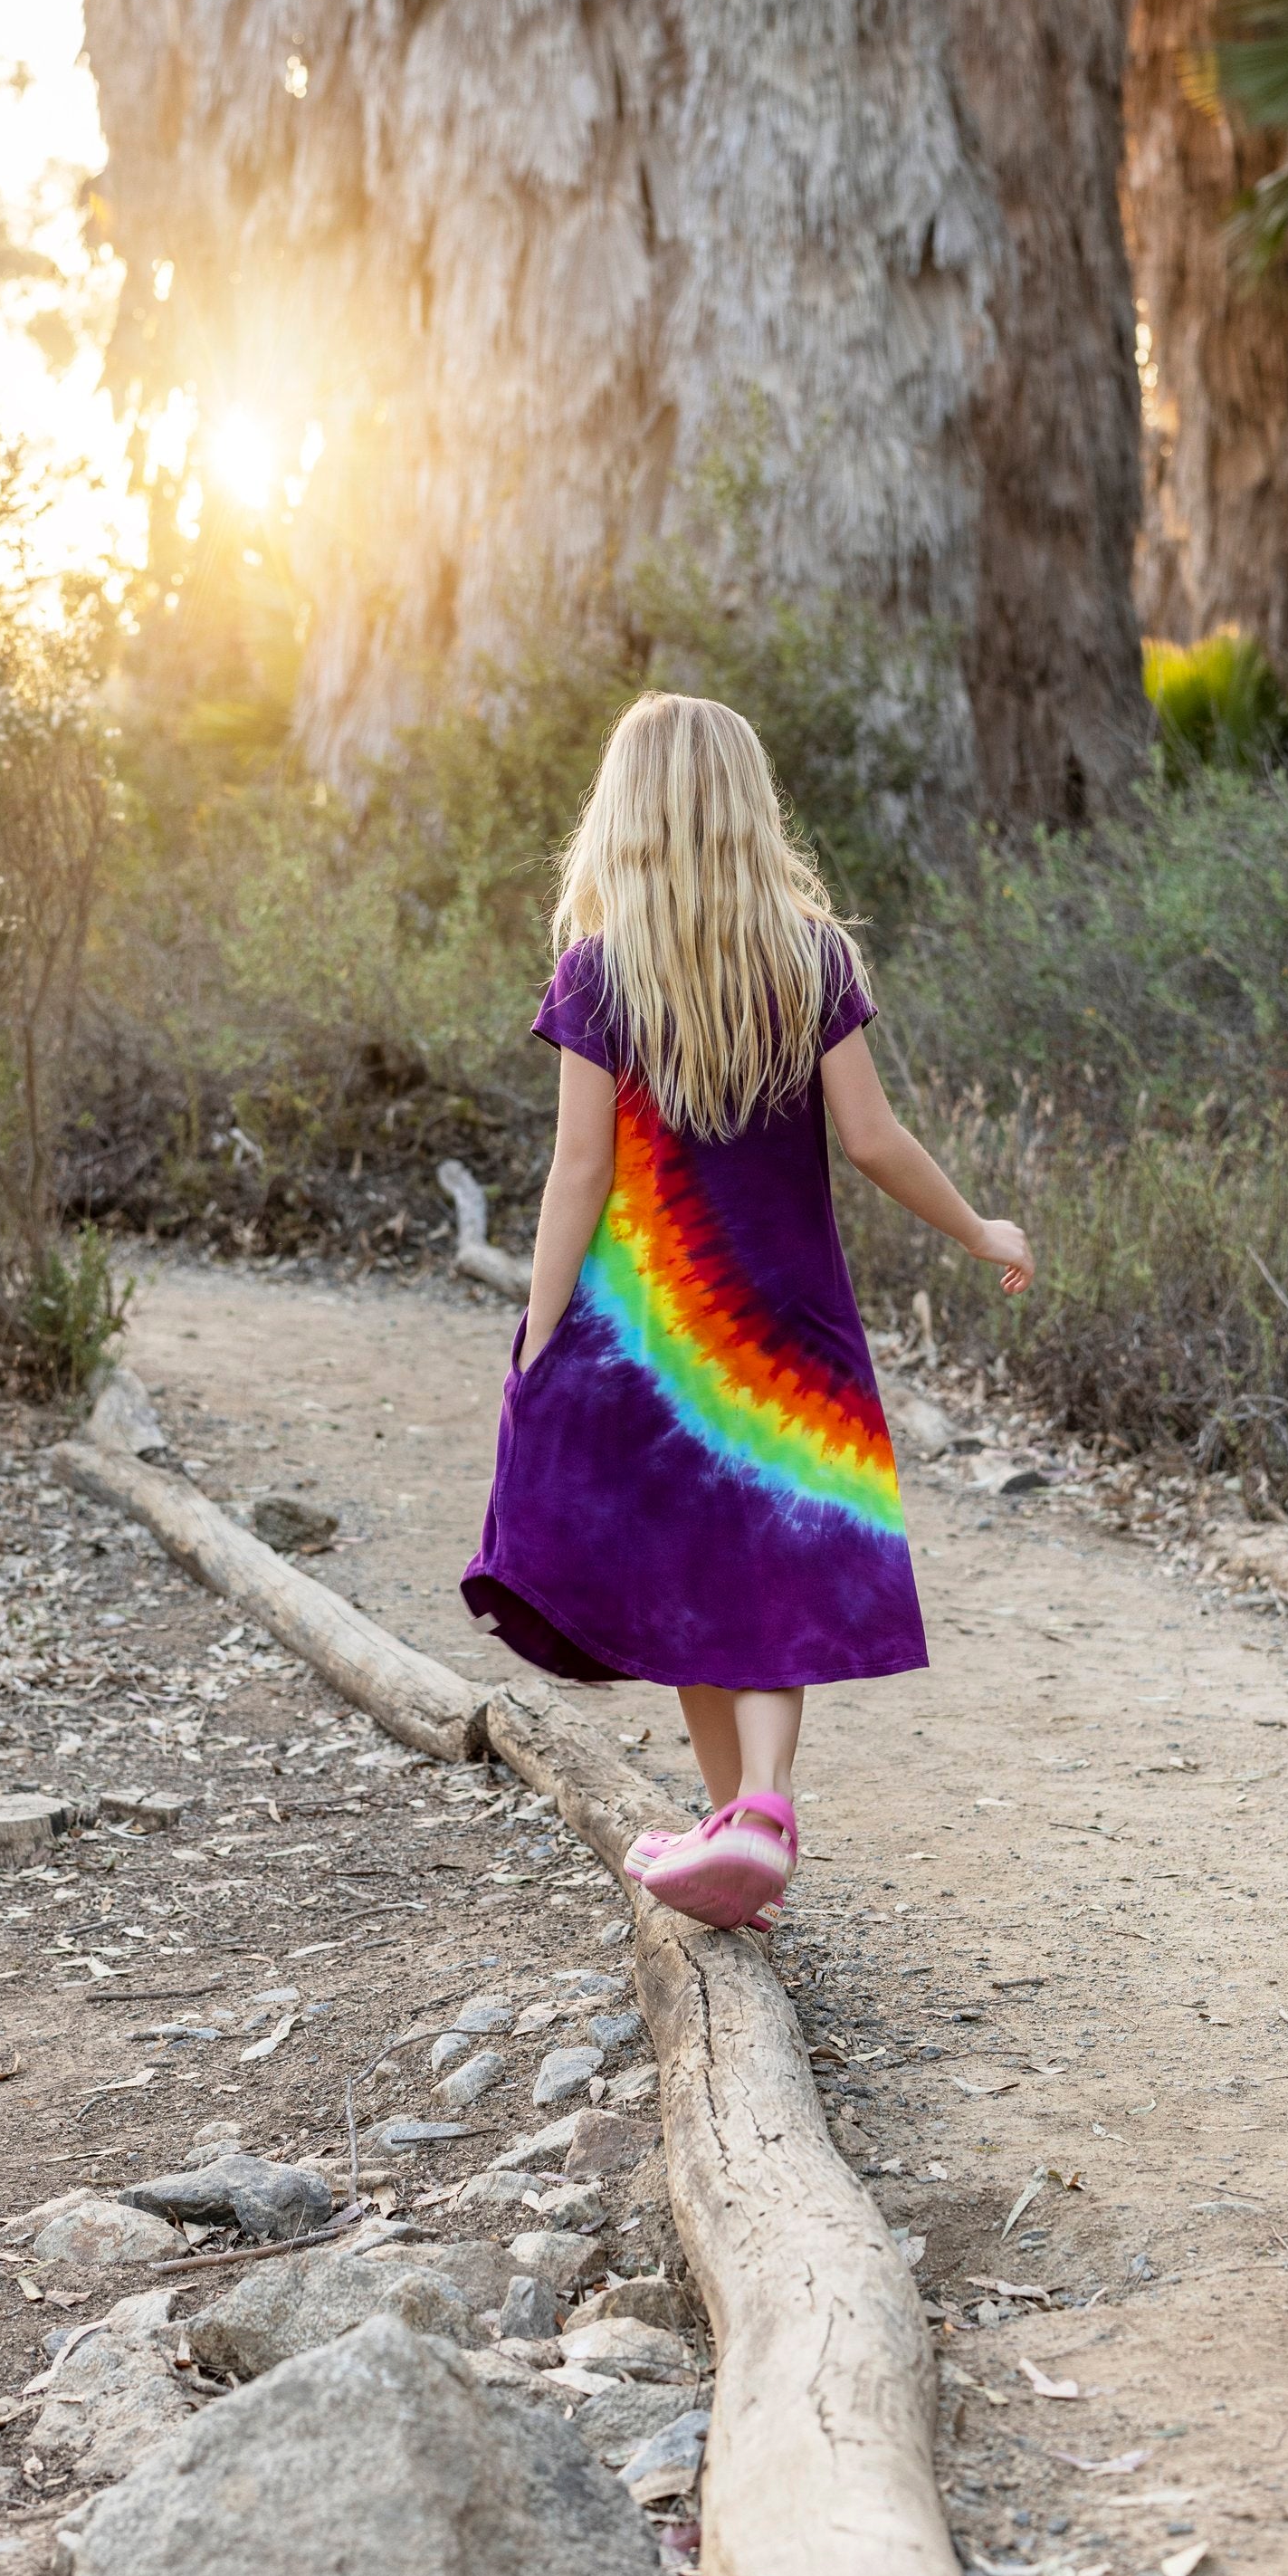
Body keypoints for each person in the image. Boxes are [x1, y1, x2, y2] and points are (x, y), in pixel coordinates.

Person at [460, 692, 1033, 1931]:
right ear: (745, 805)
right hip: (786, 1330)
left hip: (652, 1345)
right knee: (763, 1570)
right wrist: (981, 1227)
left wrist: (541, 1326)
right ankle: (751, 1816)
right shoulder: (810, 953)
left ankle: (747, 1820)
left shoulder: (602, 970)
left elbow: (579, 1168)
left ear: (628, 813)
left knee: (689, 1574)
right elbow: (874, 1141)